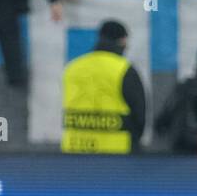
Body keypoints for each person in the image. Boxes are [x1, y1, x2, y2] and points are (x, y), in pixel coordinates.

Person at [61, 20, 146, 153]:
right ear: (122, 40)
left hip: (74, 150)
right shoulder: (124, 69)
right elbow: (139, 114)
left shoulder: (73, 67)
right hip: (116, 152)